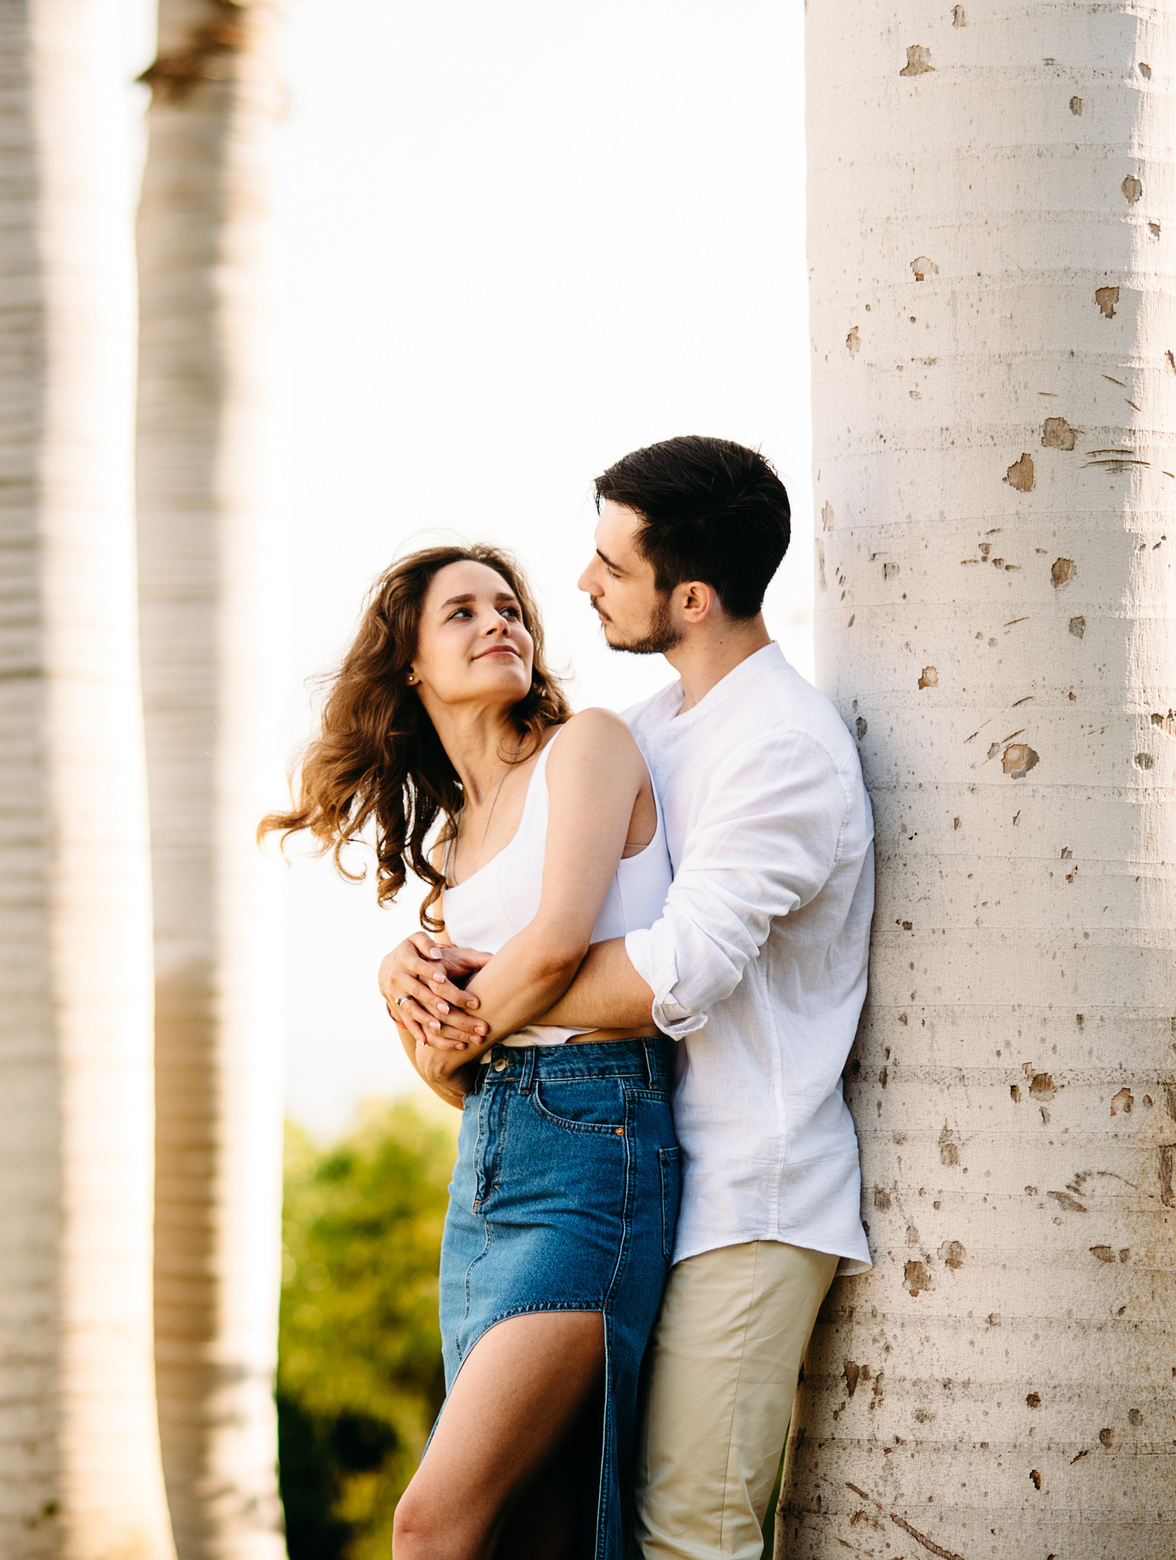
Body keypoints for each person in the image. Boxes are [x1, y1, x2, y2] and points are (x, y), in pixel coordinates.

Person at [385, 438, 874, 1560]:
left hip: (746, 1196)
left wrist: (477, 1014)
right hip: (632, 1167)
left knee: (687, 1534)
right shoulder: (655, 727)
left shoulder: (782, 746)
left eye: (612, 565)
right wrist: (410, 975)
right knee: (568, 1526)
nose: (581, 583)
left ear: (690, 598)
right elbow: (527, 915)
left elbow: (669, 973)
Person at [265, 543, 683, 1560]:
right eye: (461, 611)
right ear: (409, 663)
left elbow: (552, 949)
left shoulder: (585, 747)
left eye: (509, 608)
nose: (499, 622)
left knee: (431, 1522)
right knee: (523, 1528)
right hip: (492, 1164)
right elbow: (463, 1070)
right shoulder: (454, 839)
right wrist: (402, 993)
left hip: (595, 1158)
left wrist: (442, 1021)